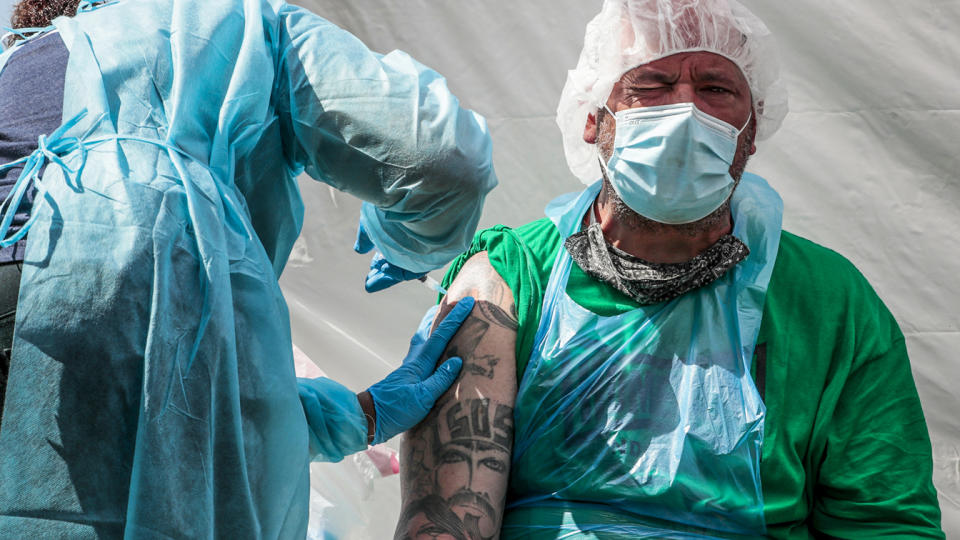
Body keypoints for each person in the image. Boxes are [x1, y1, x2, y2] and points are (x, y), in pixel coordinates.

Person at [396, 0, 945, 538]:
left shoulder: (827, 300)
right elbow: (445, 521)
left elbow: (884, 522)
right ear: (593, 121)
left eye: (715, 89)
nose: (685, 112)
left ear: (751, 132)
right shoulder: (510, 277)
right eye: (651, 85)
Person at [0, 0, 498, 537]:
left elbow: (184, 418)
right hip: (123, 266)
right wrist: (406, 245)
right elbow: (444, 159)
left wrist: (355, 419)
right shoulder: (222, 19)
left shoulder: (10, 71)